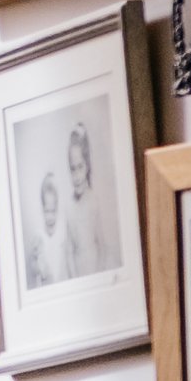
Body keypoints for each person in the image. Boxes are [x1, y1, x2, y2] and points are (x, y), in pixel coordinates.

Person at [60, 116, 119, 277]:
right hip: (78, 273)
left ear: (87, 166)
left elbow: (102, 246)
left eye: (80, 167)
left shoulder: (94, 201)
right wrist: (74, 277)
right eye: (72, 169)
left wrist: (98, 275)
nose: (77, 175)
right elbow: (69, 250)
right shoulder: (68, 207)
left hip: (95, 268)